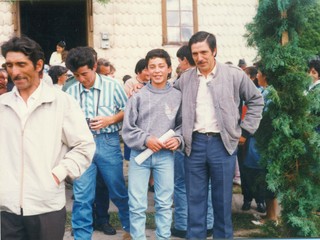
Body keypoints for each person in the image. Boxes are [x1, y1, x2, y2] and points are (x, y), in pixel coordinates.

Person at [0, 36, 95, 240]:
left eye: (21, 64)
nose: (14, 72)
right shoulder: (2, 104)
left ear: (39, 65)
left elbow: (84, 146)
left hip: (46, 206)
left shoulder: (61, 102)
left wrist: (57, 174)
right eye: (9, 65)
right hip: (7, 208)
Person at [174, 31, 264, 238]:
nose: (200, 58)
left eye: (204, 52)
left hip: (222, 145)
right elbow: (169, 101)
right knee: (194, 202)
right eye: (195, 53)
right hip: (193, 145)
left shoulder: (233, 75)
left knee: (223, 202)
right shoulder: (185, 79)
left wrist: (245, 131)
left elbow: (256, 100)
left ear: (214, 50)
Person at [65, 46, 131, 240]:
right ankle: (82, 236)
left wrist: (110, 120)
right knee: (82, 195)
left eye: (84, 74)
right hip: (81, 145)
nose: (81, 79)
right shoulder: (71, 92)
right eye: (76, 75)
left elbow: (128, 111)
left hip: (107, 143)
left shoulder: (113, 86)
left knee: (118, 191)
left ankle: (130, 229)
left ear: (94, 67)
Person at [122, 48, 183, 239]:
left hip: (165, 156)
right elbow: (128, 128)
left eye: (161, 66)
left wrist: (178, 139)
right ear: (146, 70)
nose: (156, 71)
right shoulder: (138, 96)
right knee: (137, 203)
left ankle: (163, 237)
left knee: (164, 203)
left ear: (169, 69)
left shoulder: (177, 95)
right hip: (140, 156)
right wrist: (146, 139)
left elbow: (182, 125)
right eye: (152, 67)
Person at [171, 45, 214, 238]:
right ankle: (209, 223)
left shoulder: (182, 81)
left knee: (181, 183)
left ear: (185, 61)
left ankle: (181, 224)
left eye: (180, 60)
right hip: (205, 137)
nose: (179, 64)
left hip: (186, 138)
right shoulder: (206, 78)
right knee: (208, 183)